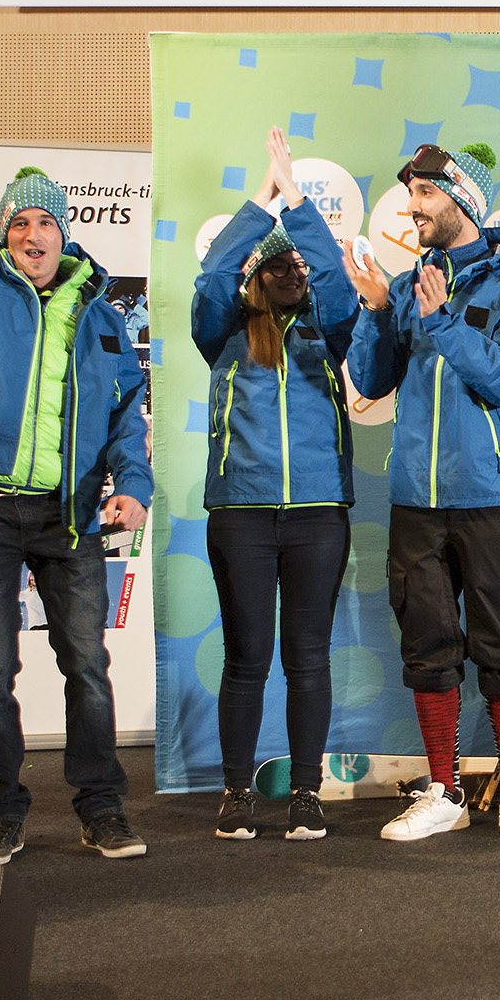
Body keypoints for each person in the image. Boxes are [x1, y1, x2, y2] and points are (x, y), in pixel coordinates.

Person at [0, 27, 154, 864]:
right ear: (6, 234)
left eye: (45, 218)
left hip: (70, 516)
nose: (32, 232)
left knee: (86, 664)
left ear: (65, 231)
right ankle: (1, 811)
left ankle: (102, 806)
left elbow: (127, 414)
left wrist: (136, 484)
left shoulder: (102, 314)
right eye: (19, 219)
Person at [341, 141, 500, 842]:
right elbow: (373, 382)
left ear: (463, 201)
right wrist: (378, 309)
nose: (412, 208)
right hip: (417, 499)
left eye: (426, 195)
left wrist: (441, 325)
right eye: (411, 195)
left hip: (494, 496)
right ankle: (445, 789)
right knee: (428, 644)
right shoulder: (408, 286)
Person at [190, 126, 359, 842]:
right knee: (248, 657)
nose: (293, 268)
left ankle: (307, 793)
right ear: (255, 275)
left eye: (299, 262)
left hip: (319, 512)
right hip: (242, 515)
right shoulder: (223, 333)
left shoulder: (330, 330)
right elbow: (208, 280)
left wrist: (299, 203)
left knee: (309, 657)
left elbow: (340, 284)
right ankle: (235, 792)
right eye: (278, 262)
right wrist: (261, 208)